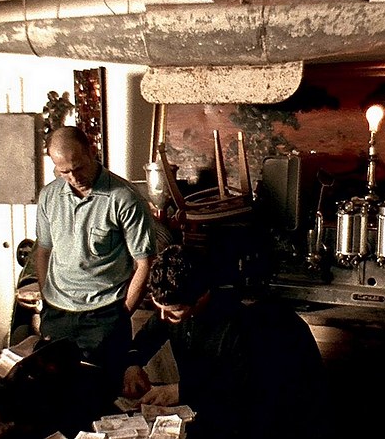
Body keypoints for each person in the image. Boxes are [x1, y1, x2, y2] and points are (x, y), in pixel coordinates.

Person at [123, 245, 329, 439]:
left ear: (201, 297)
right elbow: (145, 339)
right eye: (159, 308)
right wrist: (133, 364)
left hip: (253, 420)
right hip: (203, 410)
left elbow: (243, 388)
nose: (162, 317)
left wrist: (181, 391)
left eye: (173, 312)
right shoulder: (172, 303)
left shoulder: (242, 322)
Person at [34, 126, 155, 386]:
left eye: (78, 168)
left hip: (104, 316)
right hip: (57, 313)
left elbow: (145, 264)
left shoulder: (125, 198)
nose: (73, 177)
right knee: (51, 391)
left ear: (91, 151)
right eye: (64, 172)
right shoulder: (48, 196)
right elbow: (43, 250)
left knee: (101, 393)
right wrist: (46, 294)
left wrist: (121, 314)